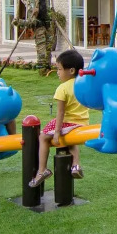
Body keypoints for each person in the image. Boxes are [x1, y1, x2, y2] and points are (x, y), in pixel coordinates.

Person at [29, 50, 90, 186]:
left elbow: (60, 113)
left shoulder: (63, 88)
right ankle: (76, 165)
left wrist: (56, 132)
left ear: (71, 70)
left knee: (43, 137)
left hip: (68, 123)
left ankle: (42, 170)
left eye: (59, 69)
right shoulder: (83, 84)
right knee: (70, 140)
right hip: (83, 123)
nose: (57, 72)